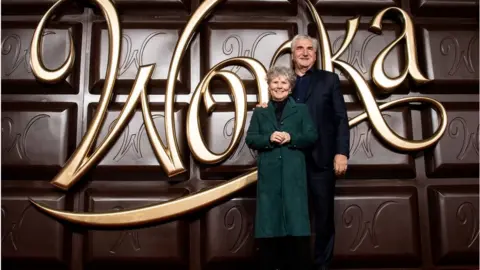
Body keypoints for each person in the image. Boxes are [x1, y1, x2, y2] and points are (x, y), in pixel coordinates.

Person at [258, 35, 350, 270]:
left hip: (321, 161)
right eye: (300, 48)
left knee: (324, 218)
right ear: (293, 53)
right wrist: (263, 107)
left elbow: (340, 119)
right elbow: (273, 112)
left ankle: (322, 266)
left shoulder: (329, 80)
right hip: (288, 160)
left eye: (310, 49)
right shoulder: (282, 80)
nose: (305, 52)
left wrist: (341, 153)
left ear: (316, 55)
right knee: (289, 217)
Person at [245, 66, 318, 270]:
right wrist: (268, 138)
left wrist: (291, 137)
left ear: (291, 87)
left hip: (294, 175)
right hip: (269, 176)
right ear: (269, 86)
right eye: (275, 82)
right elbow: (250, 139)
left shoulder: (301, 110)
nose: (279, 86)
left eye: (284, 82)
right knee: (269, 221)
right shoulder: (260, 112)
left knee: (296, 220)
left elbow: (311, 136)